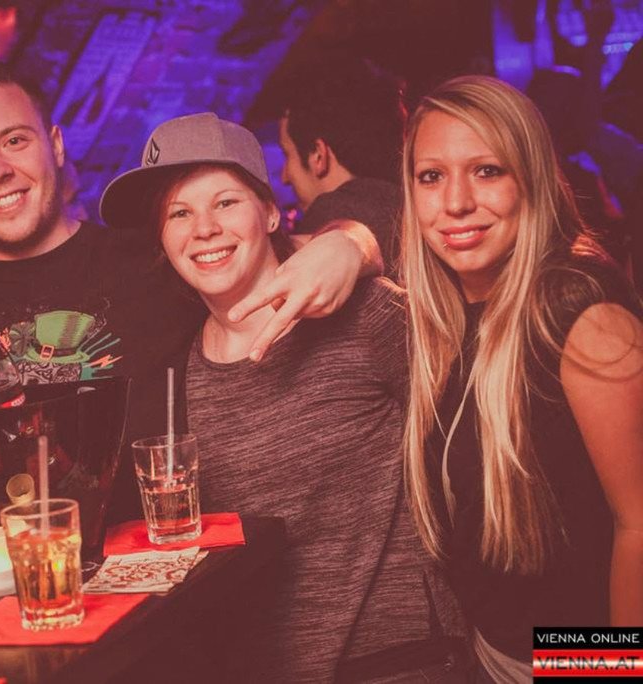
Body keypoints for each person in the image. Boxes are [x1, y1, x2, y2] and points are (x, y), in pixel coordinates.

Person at [0, 60, 384, 524]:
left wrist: (352, 243)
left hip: (166, 568)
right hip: (20, 574)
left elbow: (297, 246)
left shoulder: (158, 256)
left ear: (56, 146)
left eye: (15, 140)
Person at [99, 112, 467, 682]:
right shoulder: (178, 368)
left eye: (225, 202)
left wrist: (352, 243)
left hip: (396, 661)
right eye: (178, 212)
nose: (204, 228)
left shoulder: (369, 314)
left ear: (270, 212)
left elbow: (496, 450)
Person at [400, 75, 643, 680]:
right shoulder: (450, 315)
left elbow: (638, 524)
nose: (456, 202)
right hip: (492, 652)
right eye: (431, 176)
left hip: (570, 658)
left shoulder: (577, 310)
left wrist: (604, 670)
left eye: (487, 171)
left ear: (530, 179)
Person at [278, 54, 407, 275]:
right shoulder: (411, 204)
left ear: (318, 155)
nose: (284, 177)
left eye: (287, 154)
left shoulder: (331, 215)